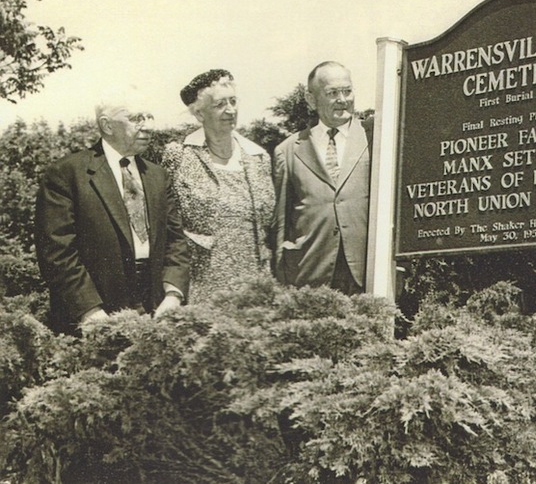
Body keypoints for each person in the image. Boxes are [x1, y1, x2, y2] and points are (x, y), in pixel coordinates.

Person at [35, 96, 190, 335]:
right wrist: (90, 312)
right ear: (107, 125)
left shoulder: (158, 175)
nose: (148, 126)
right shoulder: (67, 174)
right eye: (136, 118)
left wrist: (173, 295)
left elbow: (176, 240)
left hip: (157, 308)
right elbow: (57, 251)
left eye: (149, 117)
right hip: (95, 313)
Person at [162, 69, 275, 301]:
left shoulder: (259, 157)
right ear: (199, 113)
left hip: (254, 281)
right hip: (202, 284)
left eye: (233, 101)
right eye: (220, 104)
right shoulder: (179, 156)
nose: (230, 110)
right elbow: (167, 225)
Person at [273, 61, 370, 294]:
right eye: (332, 93)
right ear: (311, 99)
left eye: (347, 91)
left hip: (364, 274)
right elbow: (280, 223)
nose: (343, 100)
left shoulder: (375, 138)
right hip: (308, 275)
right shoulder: (287, 150)